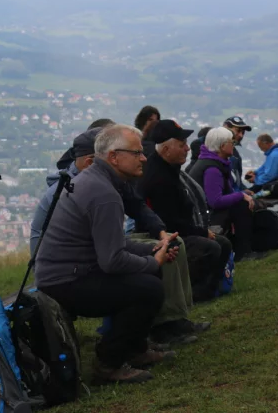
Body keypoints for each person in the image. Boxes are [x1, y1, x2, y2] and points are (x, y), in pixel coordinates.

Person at [33, 127, 202, 347]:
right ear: (113, 157)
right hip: (65, 281)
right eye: (136, 153)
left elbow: (113, 244)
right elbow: (112, 261)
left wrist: (151, 249)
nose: (143, 158)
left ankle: (138, 345)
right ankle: (111, 360)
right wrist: (153, 261)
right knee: (149, 288)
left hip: (70, 272)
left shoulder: (101, 181)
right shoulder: (104, 193)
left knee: (148, 279)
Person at [138, 120, 234, 301]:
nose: (188, 149)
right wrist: (202, 232)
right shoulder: (159, 178)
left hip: (178, 230)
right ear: (166, 150)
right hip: (162, 235)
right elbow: (168, 221)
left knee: (223, 243)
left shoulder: (168, 169)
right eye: (182, 145)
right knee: (212, 247)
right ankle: (192, 293)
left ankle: (206, 290)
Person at [188, 127, 263, 261]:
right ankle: (243, 252)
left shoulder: (212, 162)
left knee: (241, 201)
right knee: (241, 205)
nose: (233, 145)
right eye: (231, 142)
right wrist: (240, 196)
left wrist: (240, 194)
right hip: (206, 216)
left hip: (204, 212)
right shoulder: (212, 168)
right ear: (222, 146)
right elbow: (215, 201)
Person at [223, 115, 253, 190]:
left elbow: (237, 182)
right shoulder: (217, 153)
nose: (241, 135)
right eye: (238, 131)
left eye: (243, 132)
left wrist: (245, 190)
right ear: (225, 128)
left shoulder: (236, 155)